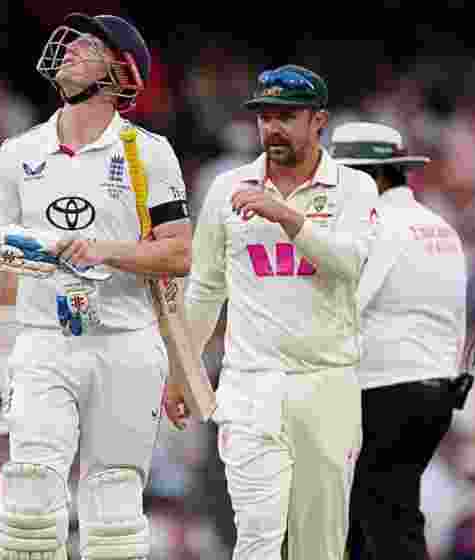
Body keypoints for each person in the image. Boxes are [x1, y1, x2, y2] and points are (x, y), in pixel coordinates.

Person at [0, 12, 192, 560]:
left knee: (113, 509)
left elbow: (178, 253)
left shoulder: (147, 153)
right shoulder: (19, 153)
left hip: (125, 340)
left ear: (122, 75)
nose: (73, 49)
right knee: (29, 494)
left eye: (91, 46)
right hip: (43, 340)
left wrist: (108, 250)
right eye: (75, 41)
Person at [175, 64, 379, 560]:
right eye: (265, 117)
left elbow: (350, 264)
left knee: (319, 546)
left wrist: (289, 218)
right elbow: (204, 289)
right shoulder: (226, 189)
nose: (273, 128)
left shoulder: (355, 188)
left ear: (319, 121)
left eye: (287, 116)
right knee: (257, 538)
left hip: (325, 382)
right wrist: (181, 374)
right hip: (250, 383)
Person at [332, 122, 469, 560]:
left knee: (384, 520)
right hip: (437, 393)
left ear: (373, 177)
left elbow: (346, 306)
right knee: (382, 511)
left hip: (383, 391)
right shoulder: (441, 228)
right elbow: (457, 318)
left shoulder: (376, 223)